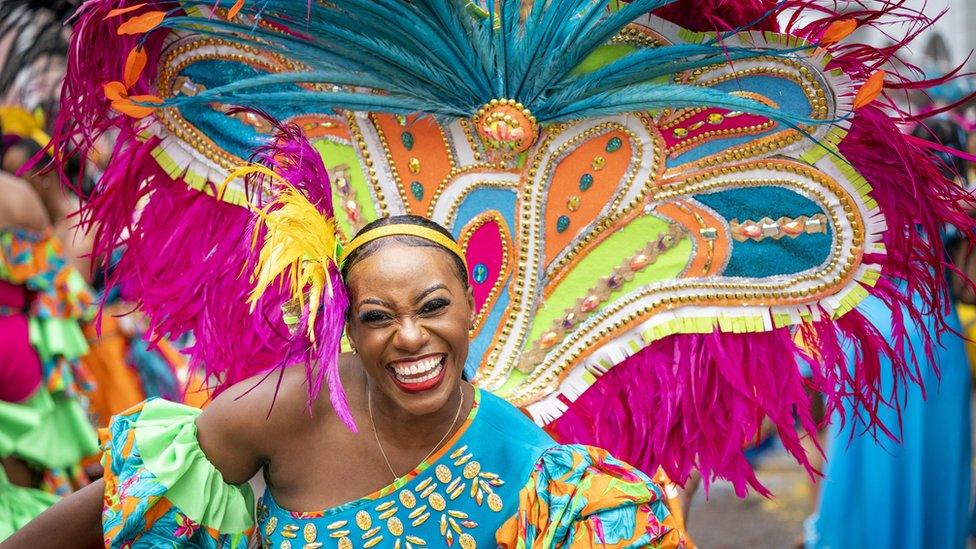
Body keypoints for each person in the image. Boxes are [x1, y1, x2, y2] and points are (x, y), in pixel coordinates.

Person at [8, 214, 687, 548]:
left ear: (470, 311)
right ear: (349, 331)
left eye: (432, 307)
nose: (411, 336)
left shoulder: (544, 478)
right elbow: (111, 510)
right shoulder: (285, 408)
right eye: (377, 316)